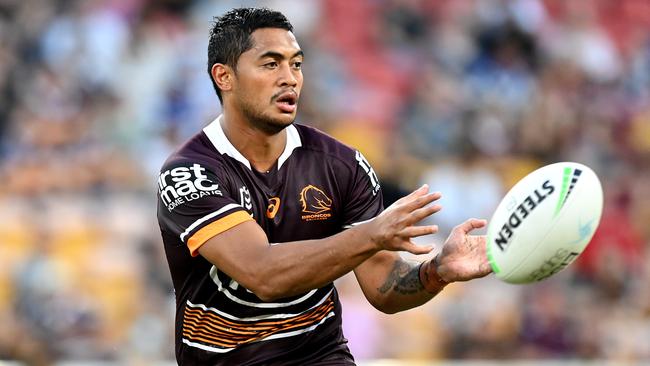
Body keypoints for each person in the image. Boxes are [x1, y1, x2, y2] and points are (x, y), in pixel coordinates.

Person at [156, 7, 491, 365]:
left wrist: (437, 270)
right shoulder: (189, 173)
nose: (290, 78)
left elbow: (384, 287)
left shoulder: (342, 165)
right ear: (225, 77)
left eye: (296, 64)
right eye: (271, 64)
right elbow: (263, 274)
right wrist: (372, 234)